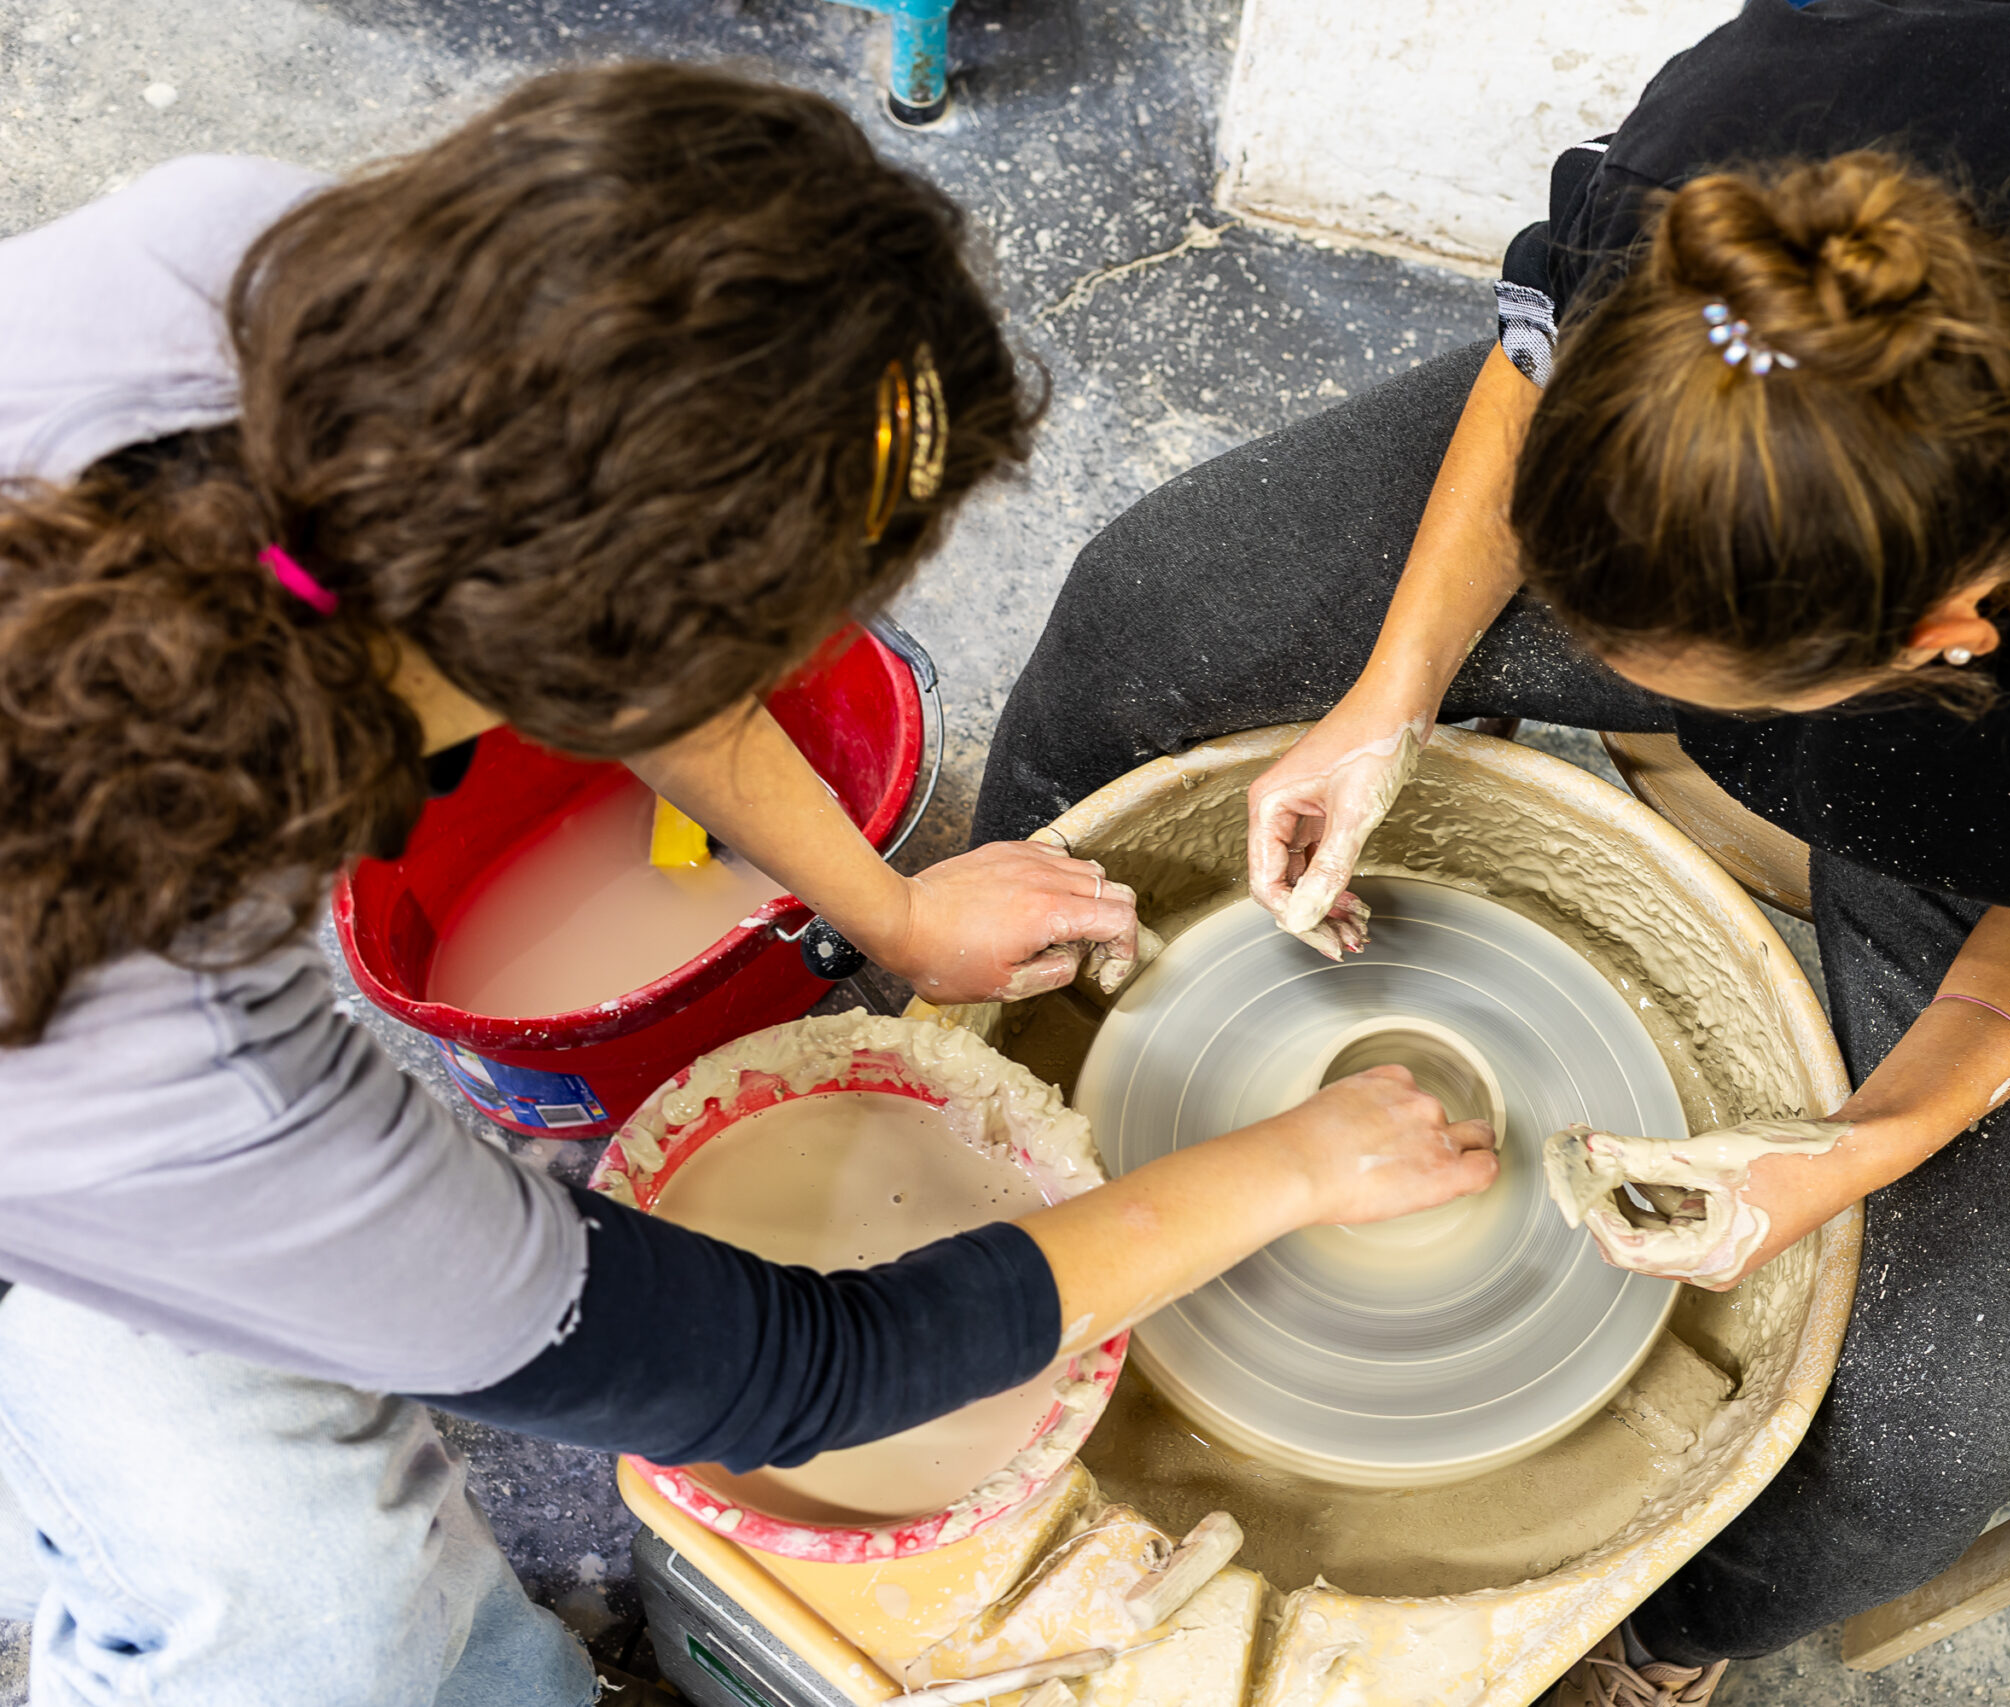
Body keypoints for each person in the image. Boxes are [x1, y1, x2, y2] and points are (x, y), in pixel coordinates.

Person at [975, 0, 2010, 1696]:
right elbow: (1536, 374)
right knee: (1151, 636)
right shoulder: (1764, 155)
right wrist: (1386, 692)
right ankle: (990, 1055)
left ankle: (1646, 1632)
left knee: (1930, 1431)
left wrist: (1867, 1140)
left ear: (1945, 641)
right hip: (1750, 505)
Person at [0, 64, 1496, 1707]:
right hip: (62, 1123)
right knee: (298, 1624)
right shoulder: (206, 1096)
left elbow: (624, 617)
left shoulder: (244, 275)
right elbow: (805, 1364)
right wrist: (1292, 1162)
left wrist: (897, 913)